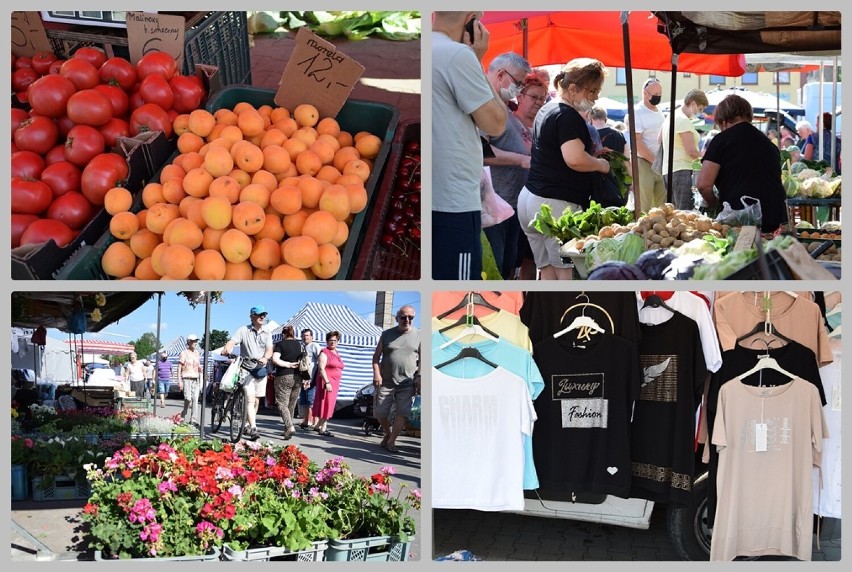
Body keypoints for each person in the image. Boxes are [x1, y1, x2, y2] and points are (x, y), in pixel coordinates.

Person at [518, 57, 611, 280]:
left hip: (531, 199)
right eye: (592, 91)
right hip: (555, 206)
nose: (596, 97)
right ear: (572, 88)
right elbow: (574, 159)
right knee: (565, 274)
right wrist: (601, 165)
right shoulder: (567, 116)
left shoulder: (547, 109)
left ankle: (548, 312)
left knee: (546, 271)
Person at [432, 11, 508, 280]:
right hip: (454, 205)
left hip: (436, 199)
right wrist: (477, 59)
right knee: (460, 282)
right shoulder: (458, 56)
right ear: (472, 20)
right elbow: (496, 123)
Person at [696, 94, 788, 233]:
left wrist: (714, 205)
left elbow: (703, 185)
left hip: (741, 217)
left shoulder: (721, 140)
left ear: (724, 121)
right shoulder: (769, 145)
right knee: (767, 253)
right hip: (775, 217)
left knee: (742, 253)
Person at [481, 53, 535, 280]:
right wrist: (521, 160)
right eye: (519, 82)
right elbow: (479, 151)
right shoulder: (483, 106)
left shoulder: (503, 107)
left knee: (509, 266)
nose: (520, 88)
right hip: (493, 207)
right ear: (501, 74)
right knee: (495, 270)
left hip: (510, 205)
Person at [372, 305, 421, 454]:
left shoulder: (420, 335)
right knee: (379, 412)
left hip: (407, 382)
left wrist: (419, 376)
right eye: (403, 317)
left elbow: (424, 358)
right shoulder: (387, 334)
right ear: (397, 318)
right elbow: (376, 358)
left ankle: (392, 441)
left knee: (402, 412)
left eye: (410, 317)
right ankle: (388, 433)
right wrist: (377, 374)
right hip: (386, 380)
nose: (407, 320)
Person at [221, 306, 273, 440]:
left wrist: (265, 358)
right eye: (259, 314)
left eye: (264, 315)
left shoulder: (267, 332)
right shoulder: (243, 330)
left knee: (256, 401)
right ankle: (254, 428)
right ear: (252, 316)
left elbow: (269, 349)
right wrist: (227, 348)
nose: (262, 317)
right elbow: (232, 342)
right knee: (249, 399)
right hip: (246, 369)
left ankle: (248, 424)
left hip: (261, 370)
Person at [659, 89, 708, 210]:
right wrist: (706, 160)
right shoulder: (683, 120)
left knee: (674, 212)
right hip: (682, 170)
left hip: (669, 169)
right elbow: (691, 150)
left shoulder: (671, 116)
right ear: (693, 104)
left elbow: (659, 139)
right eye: (700, 109)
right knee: (685, 212)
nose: (700, 113)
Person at [633, 77, 666, 210]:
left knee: (662, 204)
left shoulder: (659, 111)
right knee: (644, 206)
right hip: (644, 163)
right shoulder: (637, 112)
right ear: (645, 93)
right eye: (655, 95)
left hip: (659, 163)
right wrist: (655, 161)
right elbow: (637, 142)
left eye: (660, 94)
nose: (658, 97)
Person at [311, 331, 345, 438]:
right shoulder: (324, 352)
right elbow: (321, 368)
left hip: (335, 383)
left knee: (328, 405)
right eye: (331, 340)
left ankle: (323, 428)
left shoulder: (337, 353)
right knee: (327, 405)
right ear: (327, 341)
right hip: (327, 382)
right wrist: (327, 382)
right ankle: (318, 426)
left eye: (335, 340)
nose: (333, 342)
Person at [271, 325, 301, 440]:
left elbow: (275, 359)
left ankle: (289, 427)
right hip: (298, 376)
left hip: (283, 375)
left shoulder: (280, 344)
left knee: (282, 403)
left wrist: (287, 364)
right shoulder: (298, 344)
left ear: (283, 334)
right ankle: (286, 429)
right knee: (291, 404)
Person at [297, 328, 322, 430]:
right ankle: (307, 420)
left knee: (312, 401)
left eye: (307, 335)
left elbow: (320, 359)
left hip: (312, 378)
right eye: (303, 335)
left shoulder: (314, 346)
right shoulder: (302, 347)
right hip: (303, 378)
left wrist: (319, 374)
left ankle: (315, 422)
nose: (305, 337)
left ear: (311, 337)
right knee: (305, 401)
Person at [178, 334, 203, 425]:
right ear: (189, 342)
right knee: (188, 398)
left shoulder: (197, 353)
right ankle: (183, 414)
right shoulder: (184, 353)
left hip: (196, 378)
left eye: (196, 341)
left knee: (195, 399)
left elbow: (197, 365)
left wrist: (200, 368)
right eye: (193, 341)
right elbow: (179, 367)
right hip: (186, 378)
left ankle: (193, 420)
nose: (195, 343)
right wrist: (179, 381)